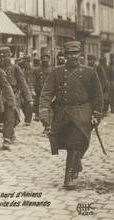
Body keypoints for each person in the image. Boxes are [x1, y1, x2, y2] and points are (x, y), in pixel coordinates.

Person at [39, 41, 103, 190]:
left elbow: (97, 96)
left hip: (83, 112)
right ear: (65, 56)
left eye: (76, 53)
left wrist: (96, 113)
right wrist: (44, 112)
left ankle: (68, 176)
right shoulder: (56, 72)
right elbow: (46, 94)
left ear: (80, 55)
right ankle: (76, 164)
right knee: (68, 143)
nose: (73, 56)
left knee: (77, 142)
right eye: (70, 54)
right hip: (63, 113)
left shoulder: (89, 72)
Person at [0, 47, 32, 149]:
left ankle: (6, 139)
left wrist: (28, 97)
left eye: (5, 56)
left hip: (13, 95)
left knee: (11, 117)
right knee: (3, 117)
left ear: (10, 56)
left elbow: (23, 83)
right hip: (1, 96)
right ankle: (10, 134)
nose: (3, 59)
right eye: (1, 57)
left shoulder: (15, 68)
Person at [32, 49, 53, 131]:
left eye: (46, 57)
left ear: (49, 59)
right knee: (42, 109)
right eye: (43, 58)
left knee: (50, 109)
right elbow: (34, 80)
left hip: (50, 93)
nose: (45, 59)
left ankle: (49, 125)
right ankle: (45, 124)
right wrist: (33, 90)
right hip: (39, 92)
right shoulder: (37, 70)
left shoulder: (52, 69)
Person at [17, 56, 35, 126]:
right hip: (21, 89)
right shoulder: (20, 67)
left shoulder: (31, 69)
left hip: (29, 89)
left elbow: (32, 80)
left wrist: (32, 90)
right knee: (22, 104)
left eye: (27, 60)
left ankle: (28, 120)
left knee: (29, 104)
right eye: (25, 60)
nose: (25, 62)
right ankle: (22, 119)